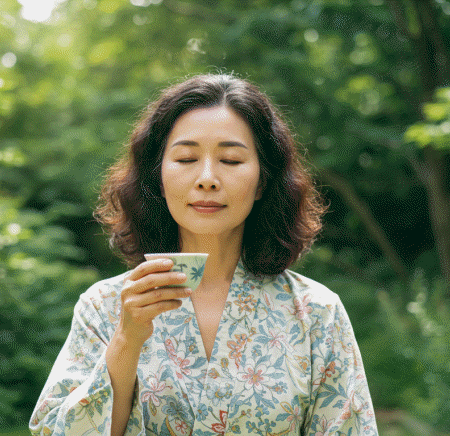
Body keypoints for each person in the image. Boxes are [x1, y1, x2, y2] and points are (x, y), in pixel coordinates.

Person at [29, 73, 378, 436]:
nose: (207, 178)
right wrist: (125, 340)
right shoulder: (103, 307)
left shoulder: (317, 313)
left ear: (261, 182)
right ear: (158, 179)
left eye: (230, 160)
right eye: (186, 158)